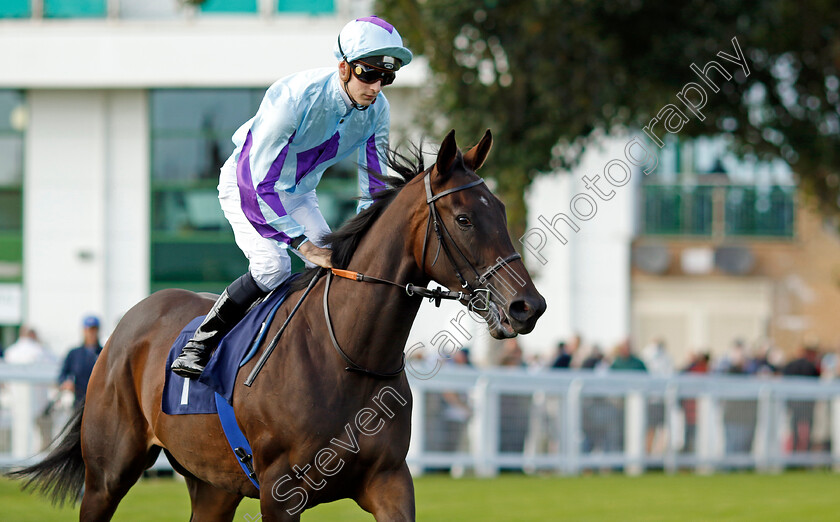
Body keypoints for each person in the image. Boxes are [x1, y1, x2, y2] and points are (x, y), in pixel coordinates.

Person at [171, 16, 413, 379]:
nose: (376, 86)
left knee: (344, 267)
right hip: (246, 186)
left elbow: (373, 186)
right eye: (368, 73)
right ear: (344, 67)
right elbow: (256, 183)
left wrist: (373, 239)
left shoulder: (377, 110)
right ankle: (201, 343)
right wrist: (303, 244)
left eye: (386, 77)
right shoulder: (293, 98)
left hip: (298, 194)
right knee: (274, 267)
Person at [58, 315, 103, 409]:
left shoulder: (104, 354)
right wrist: (66, 383)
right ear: (84, 331)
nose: (92, 333)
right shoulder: (74, 354)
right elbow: (62, 375)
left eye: (94, 330)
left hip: (101, 403)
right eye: (89, 330)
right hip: (79, 402)